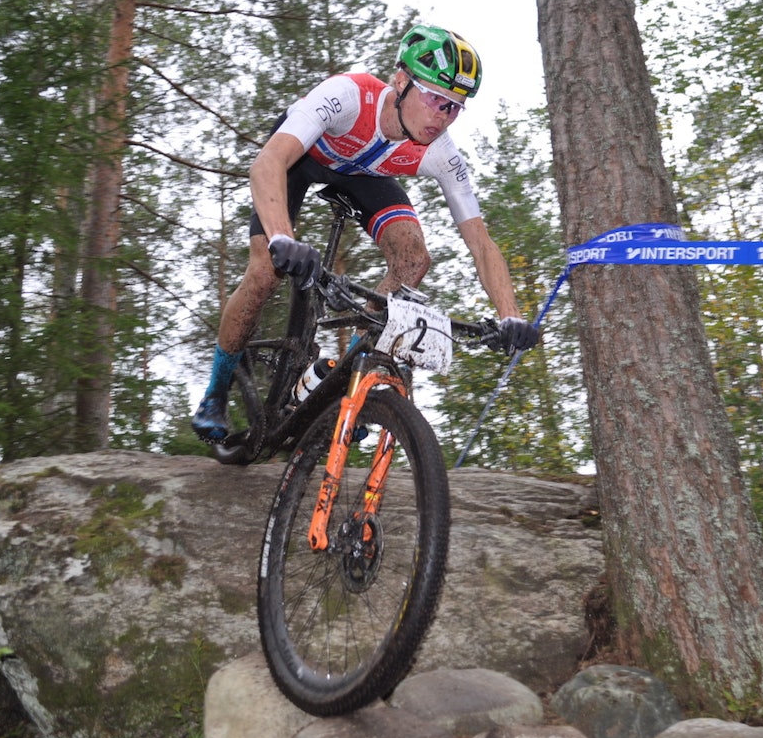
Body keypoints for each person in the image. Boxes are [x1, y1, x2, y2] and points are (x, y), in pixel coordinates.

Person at [192, 24, 540, 443]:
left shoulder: (441, 151)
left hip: (361, 174)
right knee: (266, 270)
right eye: (435, 98)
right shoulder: (349, 96)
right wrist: (282, 237)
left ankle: (338, 378)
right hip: (301, 159)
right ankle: (216, 389)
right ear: (400, 81)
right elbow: (268, 163)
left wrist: (510, 314)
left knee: (414, 260)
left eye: (454, 107)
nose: (441, 117)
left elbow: (480, 242)